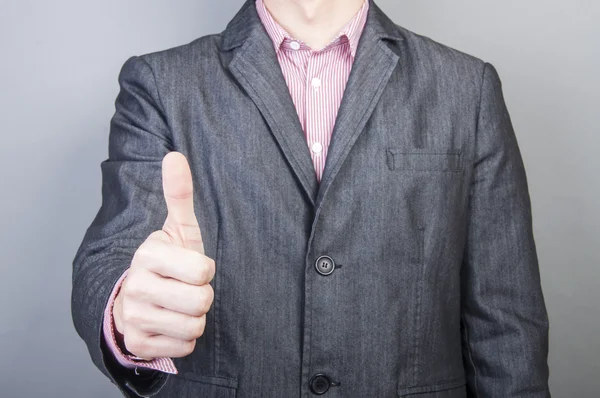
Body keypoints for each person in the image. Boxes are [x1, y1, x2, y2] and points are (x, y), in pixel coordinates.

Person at [71, 0, 551, 396]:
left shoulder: (467, 89)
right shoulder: (160, 84)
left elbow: (506, 323)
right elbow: (111, 255)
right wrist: (124, 311)